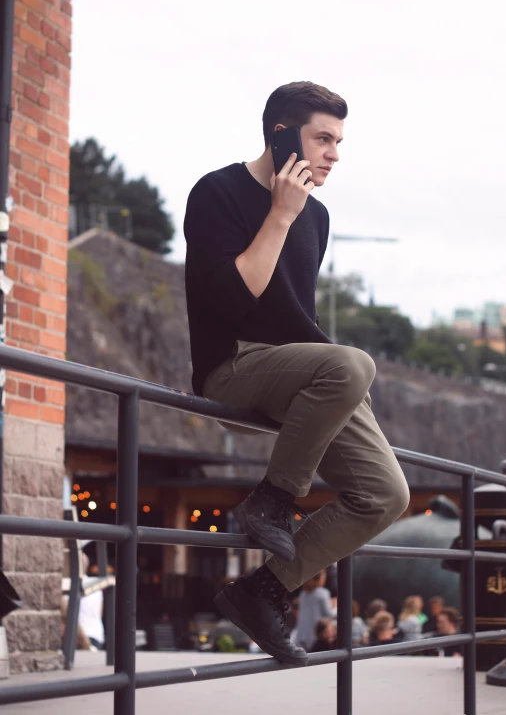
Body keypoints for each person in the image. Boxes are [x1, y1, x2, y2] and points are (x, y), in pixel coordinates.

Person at [183, 81, 410, 667]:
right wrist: (281, 214)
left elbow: (296, 317)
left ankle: (263, 590)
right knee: (352, 363)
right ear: (283, 135)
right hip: (234, 362)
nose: (334, 154)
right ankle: (275, 497)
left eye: (339, 141)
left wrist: (298, 213)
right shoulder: (218, 192)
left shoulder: (320, 215)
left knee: (386, 494)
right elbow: (234, 304)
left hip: (306, 371)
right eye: (323, 138)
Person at [294, 571, 335, 652]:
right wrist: (336, 608)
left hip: (302, 635)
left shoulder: (303, 593)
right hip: (316, 635)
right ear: (320, 578)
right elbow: (329, 614)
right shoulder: (323, 593)